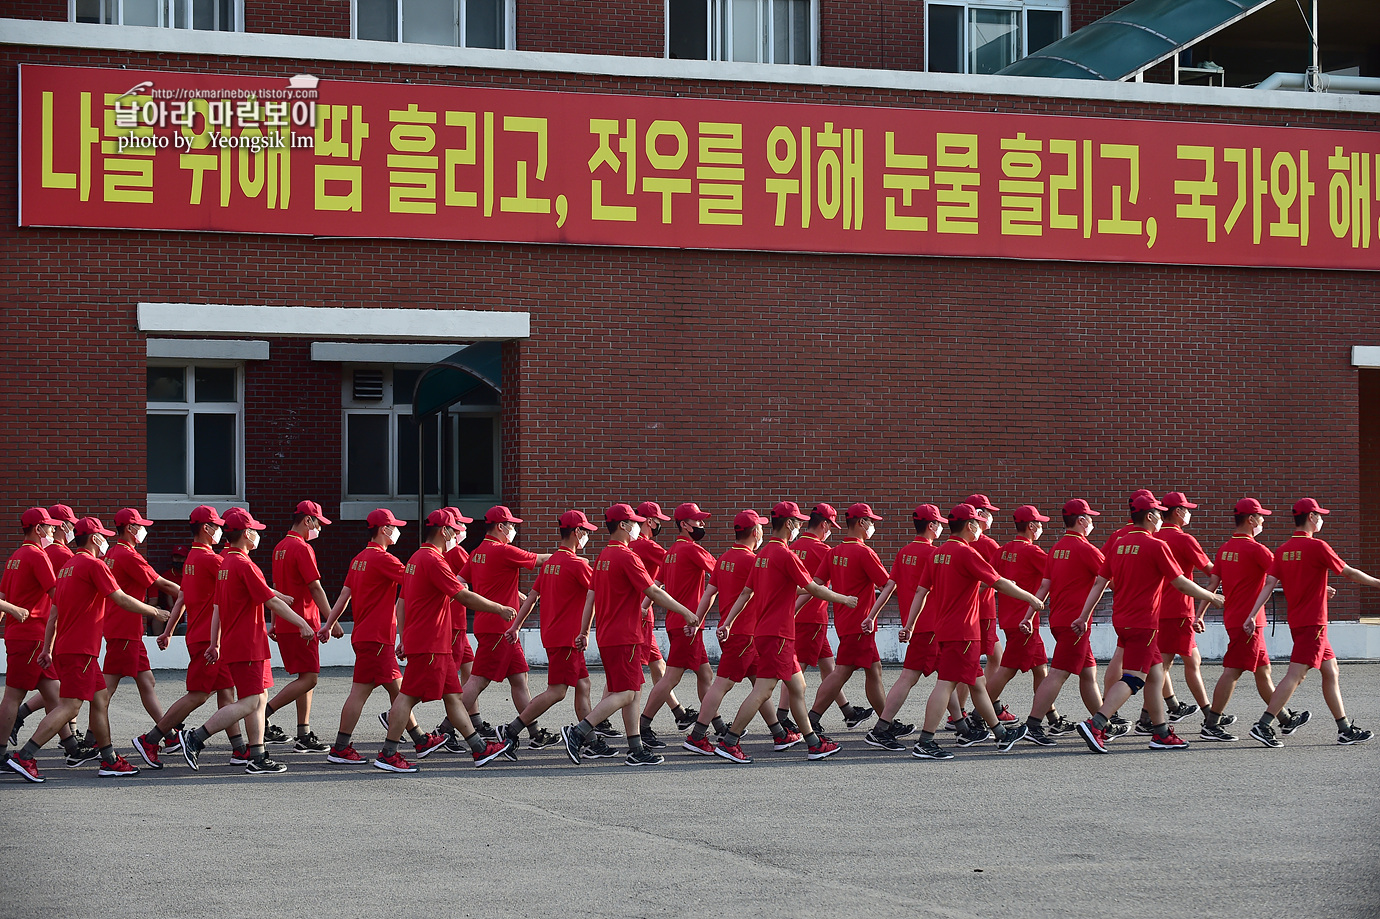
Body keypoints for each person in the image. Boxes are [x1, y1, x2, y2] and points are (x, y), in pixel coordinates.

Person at [5, 517, 168, 783]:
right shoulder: (94, 565)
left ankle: (109, 759)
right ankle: (25, 756)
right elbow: (121, 598)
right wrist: (154, 611)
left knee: (100, 698)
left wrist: (47, 648)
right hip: (81, 649)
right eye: (102, 535)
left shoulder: (68, 566)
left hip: (73, 648)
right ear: (93, 539)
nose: (106, 540)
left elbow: (54, 612)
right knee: (69, 707)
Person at [702, 501, 859, 765]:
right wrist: (843, 599)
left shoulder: (763, 555)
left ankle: (812, 742)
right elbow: (813, 588)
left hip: (768, 632)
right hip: (778, 634)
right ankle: (730, 741)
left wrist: (727, 621)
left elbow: (748, 593)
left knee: (798, 687)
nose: (799, 525)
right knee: (763, 690)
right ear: (789, 524)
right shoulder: (785, 555)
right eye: (797, 521)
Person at [1073, 494, 1225, 754]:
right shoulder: (1156, 545)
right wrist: (1210, 595)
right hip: (1143, 622)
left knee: (1156, 675)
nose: (1161, 519)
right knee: (1135, 678)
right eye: (1158, 513)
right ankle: (1097, 723)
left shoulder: (1119, 544)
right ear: (1151, 516)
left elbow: (1100, 582)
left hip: (1123, 620)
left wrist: (1084, 615)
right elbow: (1179, 582)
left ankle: (1161, 733)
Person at [373, 509, 516, 772]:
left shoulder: (417, 557)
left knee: (453, 696)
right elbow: (463, 595)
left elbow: (402, 602)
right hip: (430, 642)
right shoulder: (433, 560)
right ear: (444, 531)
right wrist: (499, 608)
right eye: (455, 529)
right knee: (407, 697)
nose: (459, 533)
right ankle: (388, 754)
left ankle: (479, 748)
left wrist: (403, 636)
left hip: (432, 641)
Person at [176, 508, 314, 775]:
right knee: (251, 701)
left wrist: (215, 643)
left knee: (259, 699)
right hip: (247, 643)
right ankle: (196, 737)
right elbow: (271, 600)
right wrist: (302, 623)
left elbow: (217, 608)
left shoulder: (226, 563)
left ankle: (257, 753)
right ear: (246, 533)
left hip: (242, 642)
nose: (257, 536)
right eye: (255, 532)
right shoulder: (243, 564)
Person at [560, 504, 698, 766]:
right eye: (634, 522)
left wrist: (584, 630)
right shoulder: (627, 556)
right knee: (625, 693)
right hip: (626, 634)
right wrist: (686, 612)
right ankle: (578, 732)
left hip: (610, 633)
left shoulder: (603, 556)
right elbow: (653, 592)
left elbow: (591, 597)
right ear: (622, 526)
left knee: (631, 692)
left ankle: (635, 748)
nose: (638, 526)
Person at [909, 504, 1046, 760]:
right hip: (963, 631)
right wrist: (1032, 599)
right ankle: (925, 741)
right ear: (970, 525)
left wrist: (909, 624)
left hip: (947, 628)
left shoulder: (938, 554)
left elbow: (921, 591)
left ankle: (1001, 734)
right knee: (945, 685)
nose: (980, 527)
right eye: (977, 523)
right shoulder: (965, 552)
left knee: (978, 684)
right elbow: (998, 582)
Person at [1247, 498, 1380, 748]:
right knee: (1296, 675)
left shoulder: (1284, 549)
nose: (1321, 519)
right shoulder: (1318, 546)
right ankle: (1263, 724)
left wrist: (1252, 614)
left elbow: (1270, 585)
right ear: (1310, 517)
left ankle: (1344, 729)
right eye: (1319, 515)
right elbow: (1348, 572)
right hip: (1314, 623)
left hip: (1300, 622)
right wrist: (1377, 583)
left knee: (1331, 671)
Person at [318, 509, 446, 764]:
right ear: (384, 530)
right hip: (378, 637)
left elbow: (344, 596)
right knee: (390, 692)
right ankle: (343, 748)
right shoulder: (383, 559)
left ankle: (419, 739)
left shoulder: (359, 559)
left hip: (366, 636)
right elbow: (416, 580)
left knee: (394, 690)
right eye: (394, 526)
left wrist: (328, 624)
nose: (397, 531)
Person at [134, 506, 250, 769]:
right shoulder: (212, 560)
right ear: (206, 529)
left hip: (204, 636)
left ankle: (239, 748)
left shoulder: (192, 559)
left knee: (226, 692)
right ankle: (151, 739)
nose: (222, 531)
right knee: (197, 695)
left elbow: (182, 599)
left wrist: (168, 631)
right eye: (218, 526)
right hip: (210, 639)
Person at [1199, 499, 1301, 741]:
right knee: (1232, 672)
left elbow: (1212, 585)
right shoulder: (1257, 550)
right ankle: (1211, 723)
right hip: (1249, 622)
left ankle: (1284, 719)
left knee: (1263, 672)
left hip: (1237, 618)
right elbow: (1284, 575)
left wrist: (1199, 614)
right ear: (1251, 520)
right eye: (1261, 517)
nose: (1263, 521)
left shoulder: (1225, 549)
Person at [0, 508, 93, 769]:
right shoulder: (37, 556)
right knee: (13, 697)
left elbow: (4, 597)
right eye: (50, 527)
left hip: (26, 636)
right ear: (38, 529)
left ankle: (72, 748)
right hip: (31, 635)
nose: (54, 531)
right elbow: (57, 593)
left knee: (55, 693)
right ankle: (1, 752)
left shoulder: (16, 557)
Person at [500, 511, 601, 753]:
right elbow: (596, 594)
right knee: (557, 691)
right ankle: (512, 729)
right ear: (576, 532)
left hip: (555, 635)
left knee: (584, 684)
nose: (587, 536)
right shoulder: (576, 564)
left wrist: (515, 627)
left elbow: (532, 598)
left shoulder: (552, 562)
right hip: (569, 638)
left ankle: (592, 741)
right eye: (585, 531)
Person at [680, 510, 773, 754]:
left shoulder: (724, 559)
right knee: (721, 685)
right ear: (755, 532)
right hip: (744, 633)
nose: (763, 531)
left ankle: (779, 732)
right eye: (761, 528)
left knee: (761, 685)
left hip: (734, 632)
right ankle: (697, 736)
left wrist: (696, 620)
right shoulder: (752, 560)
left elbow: (709, 594)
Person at [1016, 500, 1106, 746]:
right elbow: (1109, 579)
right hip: (1076, 622)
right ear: (1081, 521)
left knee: (1088, 673)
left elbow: (1044, 586)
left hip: (1059, 619)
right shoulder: (1086, 548)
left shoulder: (1057, 549)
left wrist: (1027, 616)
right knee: (1058, 673)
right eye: (1090, 518)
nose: (1092, 523)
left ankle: (1103, 721)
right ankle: (1032, 725)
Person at [459, 506, 550, 747]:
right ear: (500, 527)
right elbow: (539, 560)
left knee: (519, 679)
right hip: (499, 626)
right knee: (478, 680)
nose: (514, 529)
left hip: (499, 626)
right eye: (511, 525)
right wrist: (566, 555)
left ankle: (534, 732)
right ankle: (446, 729)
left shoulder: (477, 552)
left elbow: (461, 582)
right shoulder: (502, 551)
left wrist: (512, 593)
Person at [806, 503, 893, 735]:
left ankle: (887, 723)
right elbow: (887, 585)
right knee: (842, 672)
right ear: (861, 523)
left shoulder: (833, 552)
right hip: (861, 623)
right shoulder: (864, 552)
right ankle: (811, 720)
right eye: (871, 521)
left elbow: (814, 586)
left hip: (847, 621)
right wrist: (872, 615)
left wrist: (792, 608)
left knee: (874, 670)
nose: (873, 526)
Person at [102, 508, 182, 756]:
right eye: (140, 526)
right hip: (124, 629)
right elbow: (161, 583)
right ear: (129, 528)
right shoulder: (129, 556)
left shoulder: (113, 553)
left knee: (146, 681)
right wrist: (190, 596)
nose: (144, 530)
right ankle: (96, 739)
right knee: (105, 690)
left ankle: (168, 734)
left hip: (124, 628)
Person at [865, 504, 945, 750]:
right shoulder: (935, 554)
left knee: (948, 678)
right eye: (939, 523)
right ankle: (881, 728)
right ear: (931, 526)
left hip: (921, 626)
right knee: (918, 677)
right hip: (931, 625)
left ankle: (965, 725)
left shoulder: (904, 553)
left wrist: (871, 615)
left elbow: (889, 587)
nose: (942, 527)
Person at [783, 503, 867, 732]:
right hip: (813, 616)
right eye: (830, 525)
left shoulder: (794, 546)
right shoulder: (824, 551)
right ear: (824, 524)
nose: (831, 530)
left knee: (829, 667)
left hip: (799, 614)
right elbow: (819, 586)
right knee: (793, 668)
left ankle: (848, 711)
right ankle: (783, 715)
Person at [639, 502, 717, 747]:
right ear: (685, 525)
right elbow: (722, 573)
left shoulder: (671, 551)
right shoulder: (693, 550)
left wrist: (642, 608)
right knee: (670, 678)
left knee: (705, 673)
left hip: (679, 622)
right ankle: (643, 725)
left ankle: (719, 725)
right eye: (698, 521)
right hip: (689, 623)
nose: (702, 525)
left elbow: (656, 586)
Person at [264, 500, 338, 752]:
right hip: (303, 622)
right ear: (308, 520)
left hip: (287, 621)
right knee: (310, 679)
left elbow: (277, 589)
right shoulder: (302, 548)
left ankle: (303, 733)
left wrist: (274, 621)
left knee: (305, 677)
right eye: (317, 522)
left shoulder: (279, 547)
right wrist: (331, 620)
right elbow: (314, 587)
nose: (319, 528)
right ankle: (263, 713)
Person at [984, 505, 1061, 730]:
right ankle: (980, 714)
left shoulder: (1003, 550)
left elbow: (990, 579)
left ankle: (1053, 717)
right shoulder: (1033, 552)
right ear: (1031, 526)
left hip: (1010, 617)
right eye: (1039, 524)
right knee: (1007, 669)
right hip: (1024, 621)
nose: (1041, 528)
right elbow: (1054, 574)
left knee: (1041, 669)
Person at [1150, 492, 1215, 729]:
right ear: (1177, 512)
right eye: (1186, 509)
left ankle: (1170, 709)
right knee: (1164, 665)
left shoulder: (1154, 536)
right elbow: (1211, 571)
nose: (1189, 513)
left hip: (1160, 608)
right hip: (1178, 609)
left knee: (1186, 660)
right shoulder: (1184, 540)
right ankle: (1210, 716)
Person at [628, 500, 692, 738]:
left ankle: (679, 713)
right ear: (649, 521)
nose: (658, 527)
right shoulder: (646, 546)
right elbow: (675, 562)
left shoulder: (630, 546)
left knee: (659, 667)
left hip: (641, 612)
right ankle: (603, 721)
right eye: (657, 522)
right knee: (632, 671)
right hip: (641, 615)